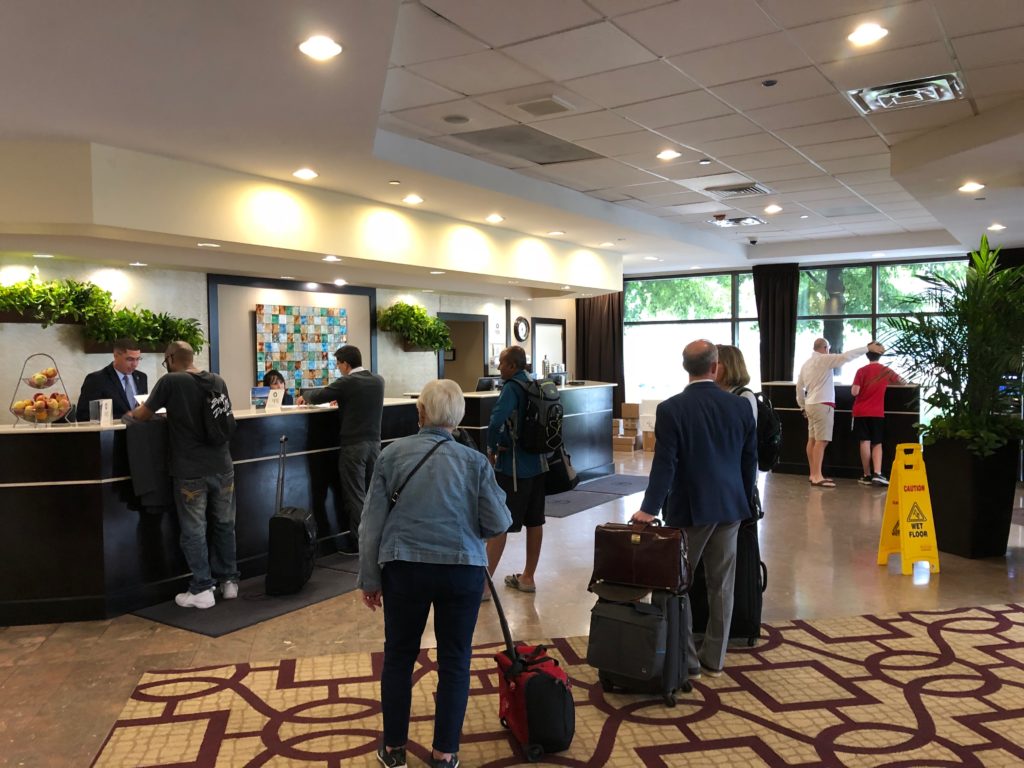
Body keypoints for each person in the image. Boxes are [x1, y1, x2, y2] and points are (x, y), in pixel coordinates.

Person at [358, 379, 510, 768]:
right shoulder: (473, 461)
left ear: (420, 412)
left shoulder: (392, 455)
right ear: (457, 418)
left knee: (398, 657)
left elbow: (371, 523)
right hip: (461, 572)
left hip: (404, 569)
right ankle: (444, 753)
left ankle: (393, 750)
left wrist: (369, 579)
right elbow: (498, 521)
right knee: (455, 660)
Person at [632, 340, 756, 678]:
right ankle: (715, 658)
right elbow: (749, 462)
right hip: (731, 507)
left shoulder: (672, 409)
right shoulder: (741, 407)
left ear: (686, 367)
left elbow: (665, 465)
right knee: (722, 586)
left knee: (676, 584)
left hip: (691, 509)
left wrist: (648, 508)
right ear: (716, 366)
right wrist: (746, 501)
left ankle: (687, 660)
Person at [126, 341, 238, 609]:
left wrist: (126, 416)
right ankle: (229, 582)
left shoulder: (171, 382)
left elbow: (142, 414)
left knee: (194, 529)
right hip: (222, 465)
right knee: (224, 523)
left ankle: (202, 588)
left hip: (190, 470)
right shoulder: (217, 380)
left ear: (171, 358)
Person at [300, 345, 384, 554]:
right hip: (375, 445)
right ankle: (376, 541)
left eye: (338, 364)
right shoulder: (378, 380)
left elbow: (319, 395)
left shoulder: (348, 382)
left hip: (353, 447)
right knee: (372, 494)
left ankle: (360, 545)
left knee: (355, 496)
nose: (338, 368)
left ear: (346, 364)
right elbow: (358, 401)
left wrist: (304, 395)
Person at [486, 345, 546, 595]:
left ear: (512, 366)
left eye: (501, 363)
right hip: (539, 465)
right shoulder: (536, 384)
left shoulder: (512, 388)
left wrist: (491, 448)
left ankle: (483, 585)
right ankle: (528, 577)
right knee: (535, 521)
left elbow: (496, 420)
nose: (498, 367)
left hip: (513, 468)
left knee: (500, 523)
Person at [795, 337, 884, 487]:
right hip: (823, 404)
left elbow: (799, 387)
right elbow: (846, 356)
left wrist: (802, 405)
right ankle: (817, 476)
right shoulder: (824, 359)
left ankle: (813, 474)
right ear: (824, 348)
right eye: (828, 348)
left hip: (810, 404)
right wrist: (867, 348)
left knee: (812, 440)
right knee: (821, 441)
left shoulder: (806, 364)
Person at [850, 344, 905, 486]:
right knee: (877, 443)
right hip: (877, 412)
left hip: (861, 412)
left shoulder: (861, 371)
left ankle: (866, 475)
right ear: (880, 355)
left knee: (864, 442)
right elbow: (903, 382)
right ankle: (878, 473)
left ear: (867, 355)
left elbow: (855, 392)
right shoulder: (886, 371)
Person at [76, 338, 148, 421]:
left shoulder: (142, 377)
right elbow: (83, 416)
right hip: (113, 432)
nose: (135, 364)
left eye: (138, 359)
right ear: (116, 355)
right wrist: (125, 417)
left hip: (139, 432)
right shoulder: (96, 379)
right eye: (130, 359)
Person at [715, 344, 757, 422]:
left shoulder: (745, 396)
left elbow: (748, 430)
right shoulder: (712, 392)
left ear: (730, 366)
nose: (711, 367)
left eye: (718, 362)